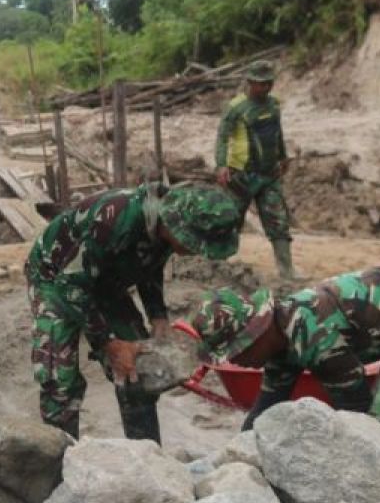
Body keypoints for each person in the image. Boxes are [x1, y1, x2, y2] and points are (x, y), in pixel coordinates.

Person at [183, 263, 380, 492]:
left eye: (237, 351)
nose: (236, 361)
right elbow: (265, 407)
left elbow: (356, 414)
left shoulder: (312, 334)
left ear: (256, 332)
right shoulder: (281, 337)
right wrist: (233, 463)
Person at [26, 182, 242, 442]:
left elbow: (148, 266)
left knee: (139, 370)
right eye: (196, 243)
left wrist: (158, 316)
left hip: (106, 282)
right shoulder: (114, 221)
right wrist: (109, 342)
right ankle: (58, 464)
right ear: (176, 225)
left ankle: (146, 455)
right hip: (56, 278)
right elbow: (71, 285)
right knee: (60, 381)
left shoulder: (163, 224)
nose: (196, 251)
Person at [214, 61, 295, 281]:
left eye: (269, 83)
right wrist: (221, 165)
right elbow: (222, 137)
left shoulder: (274, 105)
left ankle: (287, 273)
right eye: (261, 84)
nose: (265, 87)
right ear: (250, 82)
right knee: (231, 222)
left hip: (269, 174)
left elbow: (278, 132)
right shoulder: (236, 108)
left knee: (278, 222)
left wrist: (283, 156)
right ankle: (220, 270)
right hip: (241, 176)